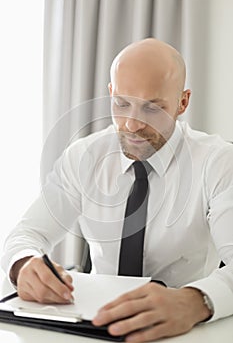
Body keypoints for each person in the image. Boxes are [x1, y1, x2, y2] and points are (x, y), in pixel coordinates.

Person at [1, 38, 233, 342]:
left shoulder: (218, 162)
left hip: (183, 332)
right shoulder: (84, 156)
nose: (132, 125)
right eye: (121, 104)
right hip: (93, 326)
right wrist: (25, 264)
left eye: (153, 108)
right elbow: (25, 235)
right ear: (111, 93)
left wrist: (194, 301)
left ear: (182, 102)